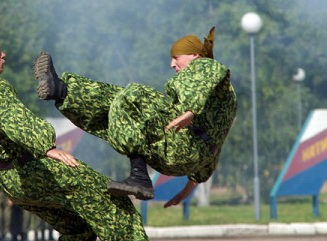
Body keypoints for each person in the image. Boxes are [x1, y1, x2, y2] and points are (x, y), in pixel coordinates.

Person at [0, 32, 191, 241]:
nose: (3, 55)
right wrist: (48, 147)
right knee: (110, 197)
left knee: (79, 229)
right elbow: (13, 121)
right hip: (36, 169)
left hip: (10, 180)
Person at [34, 26, 237, 206]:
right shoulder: (213, 103)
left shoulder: (208, 68)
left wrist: (190, 112)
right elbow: (212, 151)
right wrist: (185, 192)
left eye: (176, 57)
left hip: (181, 147)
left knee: (134, 94)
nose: (172, 64)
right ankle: (61, 90)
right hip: (182, 153)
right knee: (117, 101)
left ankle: (139, 176)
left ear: (194, 55)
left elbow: (210, 73)